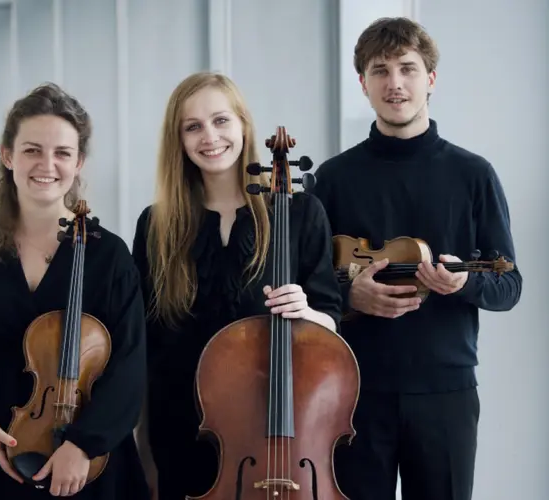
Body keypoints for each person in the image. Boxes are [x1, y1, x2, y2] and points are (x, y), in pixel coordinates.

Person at [309, 17, 523, 500]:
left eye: (407, 68)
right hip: (354, 389)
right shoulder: (334, 178)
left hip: (445, 391)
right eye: (380, 71)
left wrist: (462, 284)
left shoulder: (473, 175)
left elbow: (509, 286)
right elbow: (307, 283)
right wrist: (350, 294)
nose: (395, 83)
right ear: (363, 84)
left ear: (430, 78)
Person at [0, 83, 149, 499]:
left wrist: (83, 444)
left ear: (78, 163)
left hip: (88, 467)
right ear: (8, 156)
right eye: (31, 150)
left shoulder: (109, 256)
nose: (47, 164)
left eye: (62, 152)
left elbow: (130, 369)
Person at [131, 71, 344, 500]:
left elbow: (331, 321)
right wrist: (143, 450)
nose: (209, 136)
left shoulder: (300, 212)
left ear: (243, 124)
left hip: (272, 431)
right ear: (179, 140)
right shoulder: (157, 224)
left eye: (221, 120)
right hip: (179, 431)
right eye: (193, 127)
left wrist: (308, 312)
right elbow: (145, 347)